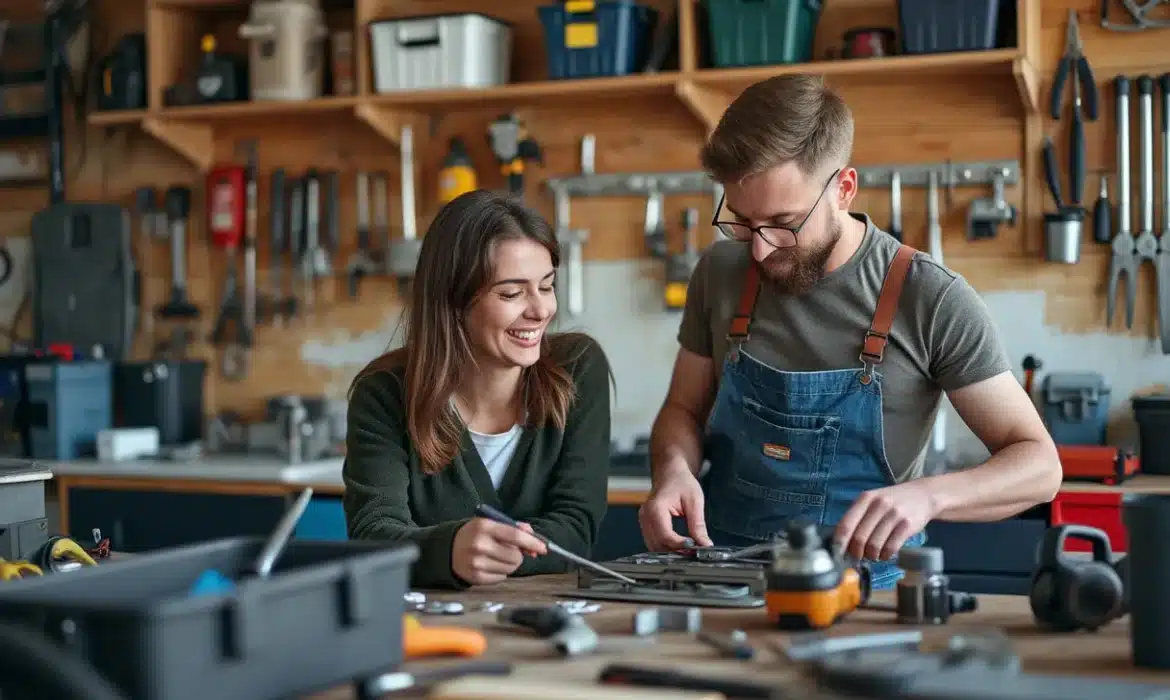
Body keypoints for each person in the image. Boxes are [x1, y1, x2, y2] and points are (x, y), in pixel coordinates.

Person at [639, 74, 1062, 589]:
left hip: (865, 593)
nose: (760, 249)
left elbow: (1039, 466)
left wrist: (930, 496)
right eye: (743, 222)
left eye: (783, 222)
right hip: (725, 576)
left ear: (843, 189)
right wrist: (673, 470)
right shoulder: (721, 271)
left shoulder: (929, 298)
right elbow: (683, 410)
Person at [343, 189, 613, 590]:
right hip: (433, 628)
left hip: (545, 619)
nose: (540, 310)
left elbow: (575, 528)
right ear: (453, 301)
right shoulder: (383, 394)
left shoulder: (579, 369)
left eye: (546, 285)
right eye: (511, 293)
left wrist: (487, 553)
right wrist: (449, 551)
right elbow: (373, 533)